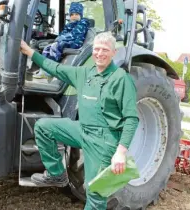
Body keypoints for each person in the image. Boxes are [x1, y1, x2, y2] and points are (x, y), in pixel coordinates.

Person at [20, 31, 139, 210]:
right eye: (96, 49)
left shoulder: (121, 79)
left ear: (114, 52)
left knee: (95, 194)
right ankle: (57, 174)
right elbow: (56, 68)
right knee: (44, 126)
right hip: (82, 130)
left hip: (103, 141)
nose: (99, 53)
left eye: (105, 50)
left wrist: (121, 152)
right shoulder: (84, 73)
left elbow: (131, 118)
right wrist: (30, 52)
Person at [35, 2, 89, 79]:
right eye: (72, 15)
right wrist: (59, 38)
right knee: (48, 48)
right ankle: (43, 69)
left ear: (81, 15)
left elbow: (75, 35)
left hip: (76, 43)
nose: (74, 16)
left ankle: (49, 72)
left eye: (76, 14)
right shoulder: (69, 25)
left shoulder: (82, 23)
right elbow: (63, 34)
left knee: (56, 47)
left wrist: (61, 39)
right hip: (69, 41)